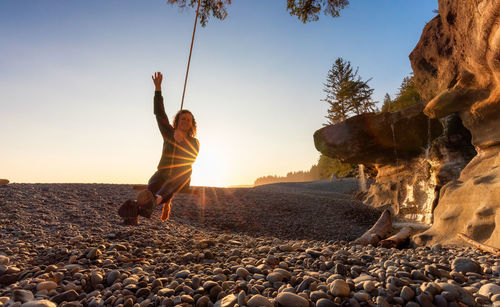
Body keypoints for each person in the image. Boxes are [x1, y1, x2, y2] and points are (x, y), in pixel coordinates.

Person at [119, 72, 199, 224]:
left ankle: (155, 200)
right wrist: (158, 89)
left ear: (191, 124)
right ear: (177, 121)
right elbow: (160, 114)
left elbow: (191, 157)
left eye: (188, 120)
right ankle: (135, 211)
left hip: (180, 176)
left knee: (182, 173)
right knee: (152, 184)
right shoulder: (169, 133)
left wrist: (182, 142)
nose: (185, 121)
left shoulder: (194, 142)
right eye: (183, 118)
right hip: (162, 173)